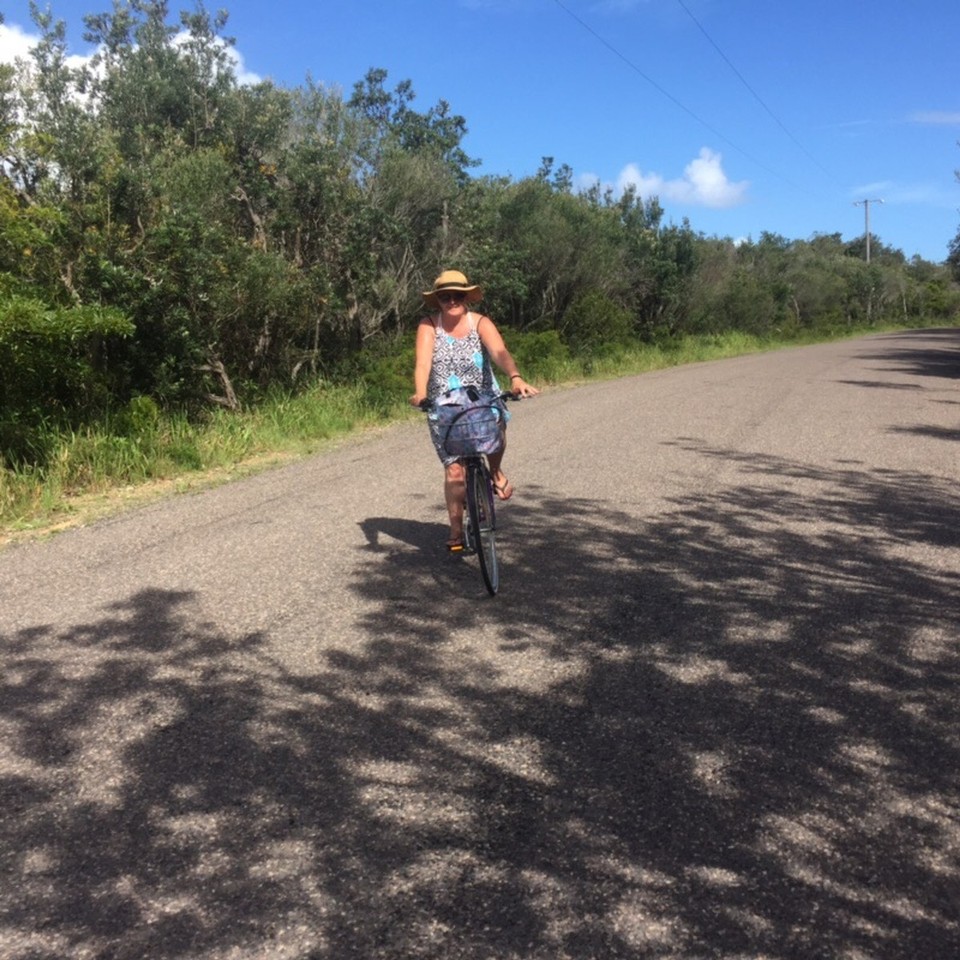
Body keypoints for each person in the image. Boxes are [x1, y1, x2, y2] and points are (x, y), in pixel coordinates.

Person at [410, 269, 539, 552]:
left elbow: (499, 352)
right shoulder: (429, 325)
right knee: (455, 471)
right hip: (444, 406)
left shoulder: (479, 322)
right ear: (438, 300)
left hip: (481, 398)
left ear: (466, 296)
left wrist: (515, 377)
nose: (452, 300)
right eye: (445, 297)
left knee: (495, 432)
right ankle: (456, 529)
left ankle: (495, 472)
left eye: (458, 295)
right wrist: (420, 393)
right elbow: (423, 364)